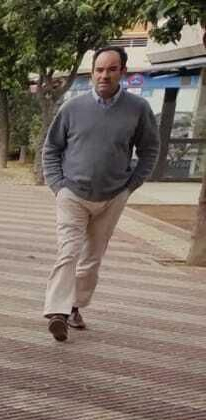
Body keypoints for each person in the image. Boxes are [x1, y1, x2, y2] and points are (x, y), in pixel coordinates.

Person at [41, 46, 160, 342]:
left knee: (91, 258)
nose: (104, 75)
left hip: (112, 196)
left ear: (123, 72)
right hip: (72, 193)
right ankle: (57, 312)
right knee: (67, 251)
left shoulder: (138, 109)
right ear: (92, 72)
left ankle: (75, 305)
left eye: (111, 69)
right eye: (99, 69)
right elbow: (51, 148)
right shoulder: (72, 108)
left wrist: (131, 186)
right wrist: (58, 185)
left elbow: (150, 149)